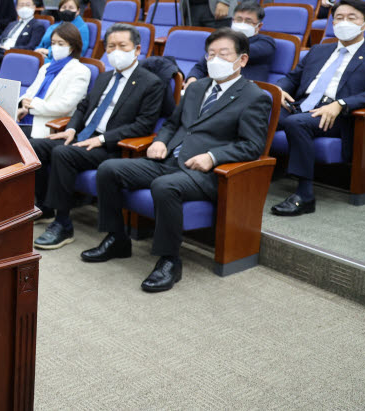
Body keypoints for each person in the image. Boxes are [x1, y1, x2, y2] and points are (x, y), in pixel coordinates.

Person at [88, 28, 270, 292]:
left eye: (223, 54)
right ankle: (117, 238)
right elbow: (173, 124)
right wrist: (160, 141)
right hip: (169, 161)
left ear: (242, 60)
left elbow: (252, 146)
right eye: (211, 54)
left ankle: (169, 260)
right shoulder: (197, 88)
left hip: (207, 173)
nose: (215, 59)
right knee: (108, 169)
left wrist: (213, 156)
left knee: (165, 186)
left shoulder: (254, 98)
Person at [33, 24, 165, 248]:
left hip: (112, 145)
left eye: (122, 46)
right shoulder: (104, 77)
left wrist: (102, 139)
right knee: (34, 145)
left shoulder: (150, 83)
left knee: (63, 154)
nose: (116, 51)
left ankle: (63, 223)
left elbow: (143, 125)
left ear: (137, 49)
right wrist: (72, 128)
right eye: (111, 46)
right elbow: (84, 107)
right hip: (82, 135)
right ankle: (45, 207)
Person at [271, 0, 365, 216]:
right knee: (260, 111)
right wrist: (279, 89)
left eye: (351, 18)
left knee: (296, 123)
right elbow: (292, 78)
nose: (344, 22)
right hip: (301, 105)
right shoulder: (318, 50)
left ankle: (304, 195)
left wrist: (342, 103)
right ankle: (247, 175)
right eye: (339, 18)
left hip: (336, 115)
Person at [15, 23, 89, 139]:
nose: (56, 47)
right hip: (27, 117)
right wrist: (23, 103)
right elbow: (30, 93)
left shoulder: (80, 71)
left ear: (72, 46)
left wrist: (32, 106)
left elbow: (66, 106)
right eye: (53, 43)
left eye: (61, 44)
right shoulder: (46, 67)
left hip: (48, 124)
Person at [185, 2, 274, 84]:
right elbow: (201, 66)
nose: (242, 24)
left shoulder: (266, 42)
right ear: (233, 20)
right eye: (239, 19)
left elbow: (239, 51)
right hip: (218, 88)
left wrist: (221, 48)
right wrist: (192, 79)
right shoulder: (224, 40)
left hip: (248, 90)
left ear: (259, 26)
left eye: (248, 21)